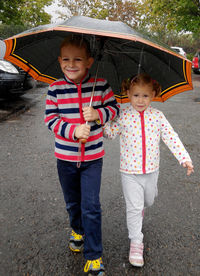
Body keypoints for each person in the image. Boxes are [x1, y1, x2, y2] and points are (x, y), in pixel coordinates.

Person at [44, 34, 119, 276]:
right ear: (59, 60)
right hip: (65, 158)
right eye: (66, 59)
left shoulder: (101, 85)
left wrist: (98, 115)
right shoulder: (55, 89)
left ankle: (94, 255)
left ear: (89, 61)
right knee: (73, 203)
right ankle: (77, 229)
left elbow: (114, 108)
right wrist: (73, 130)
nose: (71, 64)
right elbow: (50, 120)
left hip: (92, 159)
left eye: (78, 59)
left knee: (91, 206)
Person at [103, 73, 194, 267]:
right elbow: (110, 134)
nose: (140, 100)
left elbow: (171, 137)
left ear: (153, 95)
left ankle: (142, 206)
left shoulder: (157, 116)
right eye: (136, 95)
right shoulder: (124, 114)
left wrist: (184, 158)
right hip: (129, 172)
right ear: (128, 94)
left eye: (145, 96)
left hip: (152, 171)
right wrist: (100, 119)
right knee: (134, 208)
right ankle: (136, 242)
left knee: (148, 200)